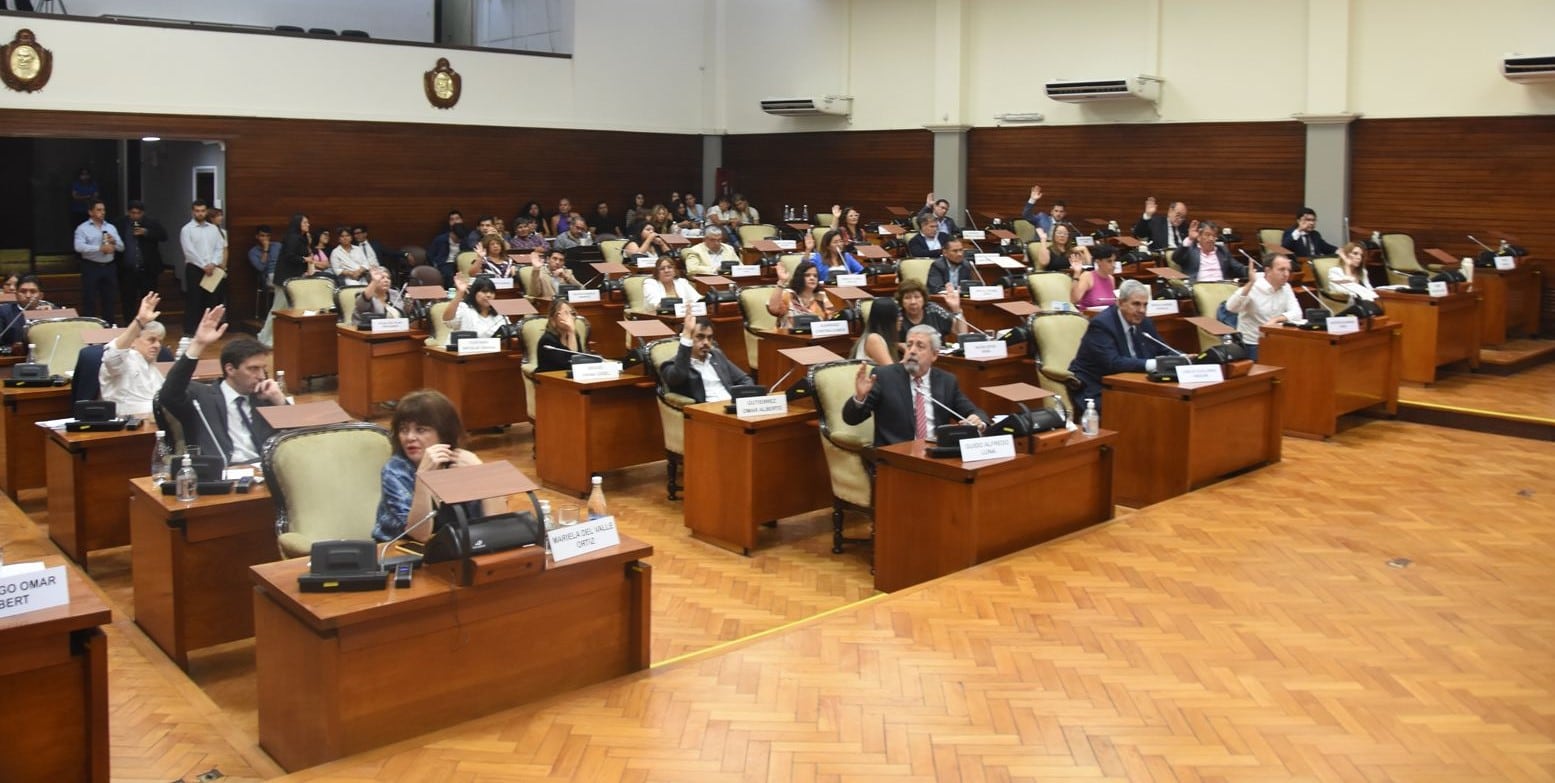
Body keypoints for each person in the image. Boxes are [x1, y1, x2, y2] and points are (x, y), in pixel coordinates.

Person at [158, 305, 287, 465]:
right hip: (224, 475)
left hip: (265, 472)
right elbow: (168, 394)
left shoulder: (265, 397)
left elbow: (294, 440)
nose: (261, 376)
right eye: (253, 369)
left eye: (263, 369)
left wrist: (281, 402)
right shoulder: (201, 397)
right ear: (230, 369)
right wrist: (198, 344)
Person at [372, 389, 502, 543]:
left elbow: (497, 525)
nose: (409, 438)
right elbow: (419, 534)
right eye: (403, 430)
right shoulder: (395, 470)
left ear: (443, 433)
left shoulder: (460, 463)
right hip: (401, 553)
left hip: (456, 549)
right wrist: (423, 477)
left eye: (420, 430)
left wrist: (483, 474)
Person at [842, 325, 987, 447]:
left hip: (935, 455)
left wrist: (977, 419)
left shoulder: (946, 381)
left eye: (920, 346)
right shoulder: (884, 377)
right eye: (909, 345)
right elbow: (851, 419)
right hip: (897, 459)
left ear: (934, 355)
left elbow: (975, 412)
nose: (912, 351)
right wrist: (860, 398)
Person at [1068, 279, 1173, 409]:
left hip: (1132, 384)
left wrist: (1182, 358)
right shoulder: (1102, 325)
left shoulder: (1144, 322)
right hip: (1098, 386)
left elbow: (1162, 348)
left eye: (1145, 305)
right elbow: (1113, 363)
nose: (1142, 310)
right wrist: (1153, 364)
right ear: (1120, 303)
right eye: (1136, 304)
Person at [660, 311, 754, 403]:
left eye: (709, 338)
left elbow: (745, 380)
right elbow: (678, 376)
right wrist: (686, 336)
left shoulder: (716, 356)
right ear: (688, 338)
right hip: (707, 411)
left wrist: (742, 400)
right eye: (700, 337)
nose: (706, 342)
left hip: (732, 405)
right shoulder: (671, 366)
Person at [98, 292, 166, 416]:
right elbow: (113, 355)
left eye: (159, 341)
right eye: (151, 340)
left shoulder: (153, 368)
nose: (157, 345)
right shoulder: (122, 361)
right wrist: (140, 321)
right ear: (134, 340)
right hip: (128, 426)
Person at [1225, 255, 1301, 361]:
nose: (1286, 274)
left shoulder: (1286, 287)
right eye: (1281, 270)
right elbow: (1231, 307)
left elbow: (1297, 313)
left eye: (1288, 270)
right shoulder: (1254, 286)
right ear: (1268, 270)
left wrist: (1277, 319)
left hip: (1278, 340)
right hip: (1254, 344)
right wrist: (1250, 283)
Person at [113, 200, 168, 317]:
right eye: (133, 213)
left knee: (148, 299)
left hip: (147, 270)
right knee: (128, 299)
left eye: (138, 213)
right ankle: (130, 324)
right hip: (127, 269)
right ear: (128, 212)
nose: (135, 216)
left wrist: (146, 232)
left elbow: (163, 236)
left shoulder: (151, 222)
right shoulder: (120, 223)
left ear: (143, 213)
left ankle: (148, 323)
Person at [73, 198, 124, 323]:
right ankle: (89, 327)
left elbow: (122, 247)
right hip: (91, 266)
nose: (102, 212)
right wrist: (99, 248)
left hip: (109, 267)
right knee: (89, 299)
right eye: (99, 210)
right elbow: (79, 247)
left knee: (109, 299)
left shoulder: (111, 227)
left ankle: (109, 326)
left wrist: (114, 242)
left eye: (104, 210)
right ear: (91, 212)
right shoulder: (82, 228)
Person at [179, 199, 225, 334]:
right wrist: (203, 265)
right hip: (195, 268)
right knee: (194, 298)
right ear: (193, 212)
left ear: (206, 212)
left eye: (203, 211)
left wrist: (213, 263)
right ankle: (191, 330)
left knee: (211, 299)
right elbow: (189, 250)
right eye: (197, 211)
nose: (200, 213)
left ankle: (208, 329)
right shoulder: (187, 229)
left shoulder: (213, 229)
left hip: (212, 268)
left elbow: (219, 248)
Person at [1174, 220, 1246, 283]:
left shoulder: (1222, 251)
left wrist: (1253, 272)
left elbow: (1239, 268)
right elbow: (1176, 258)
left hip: (1222, 286)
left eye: (1214, 236)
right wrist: (1190, 239)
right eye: (1207, 235)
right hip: (1200, 289)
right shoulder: (1190, 250)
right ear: (1199, 237)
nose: (1211, 239)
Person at [768, 259, 833, 327]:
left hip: (817, 336)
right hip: (788, 336)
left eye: (815, 276)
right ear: (799, 277)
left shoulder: (822, 296)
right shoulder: (788, 295)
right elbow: (773, 309)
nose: (812, 278)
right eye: (807, 275)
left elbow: (831, 321)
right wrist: (781, 281)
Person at [895, 278, 966, 339]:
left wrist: (956, 309)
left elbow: (962, 333)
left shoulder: (933, 309)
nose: (913, 302)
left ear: (924, 298)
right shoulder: (897, 315)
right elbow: (889, 341)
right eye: (907, 298)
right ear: (901, 301)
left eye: (917, 297)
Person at [536, 299, 588, 372]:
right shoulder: (548, 340)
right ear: (552, 319)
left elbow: (580, 360)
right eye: (566, 313)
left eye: (572, 313)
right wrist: (571, 332)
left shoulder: (574, 335)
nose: (570, 317)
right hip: (550, 379)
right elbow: (569, 363)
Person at [851, 297, 901, 365]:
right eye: (898, 316)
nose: (901, 319)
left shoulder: (884, 339)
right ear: (887, 320)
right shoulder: (874, 339)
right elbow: (891, 371)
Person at [427, 210, 466, 284]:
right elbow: (429, 254)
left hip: (460, 263)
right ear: (452, 234)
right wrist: (435, 265)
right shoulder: (441, 239)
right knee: (449, 274)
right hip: (446, 263)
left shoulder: (464, 237)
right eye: (457, 239)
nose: (458, 241)